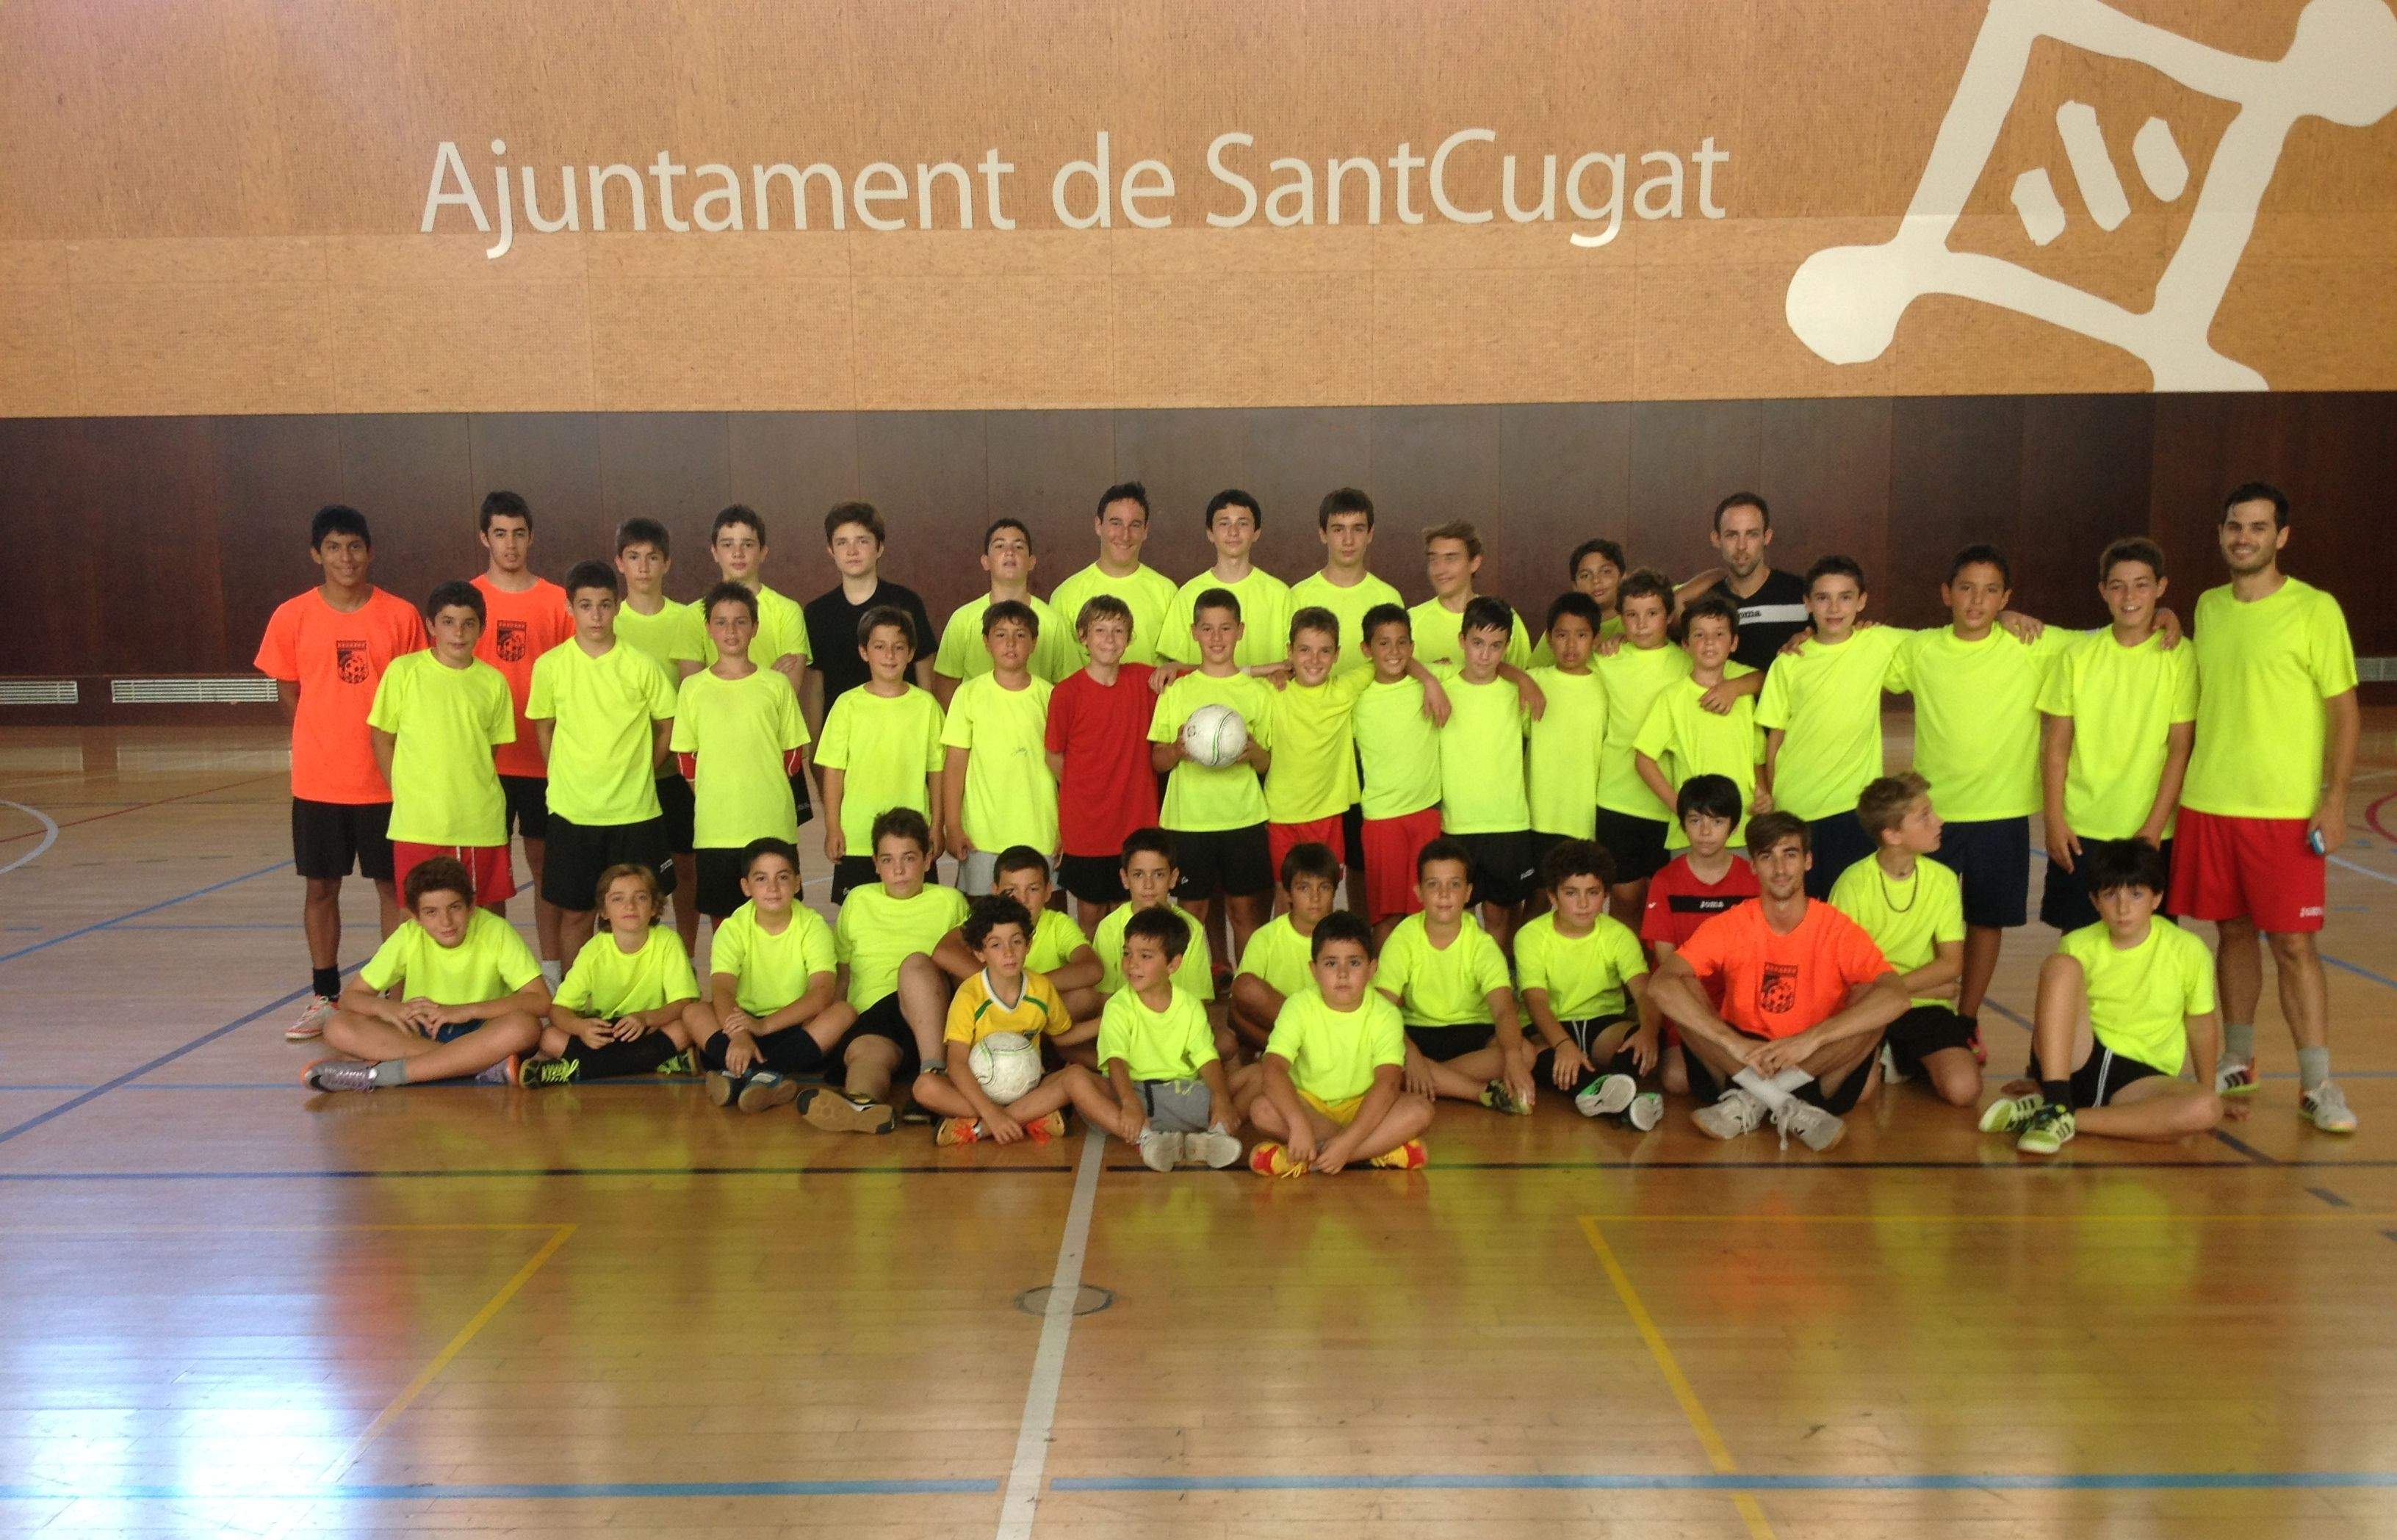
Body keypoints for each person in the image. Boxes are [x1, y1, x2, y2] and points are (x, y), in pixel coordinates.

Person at [2172, 481, 2360, 1132]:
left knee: (2293, 944)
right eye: (2234, 526)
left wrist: (2334, 798)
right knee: (2230, 933)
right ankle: (2238, 1059)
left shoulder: (2314, 609)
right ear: (2221, 533)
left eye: (2257, 527)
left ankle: (2317, 1084)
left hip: (2283, 812)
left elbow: (2344, 712)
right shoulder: (2207, 606)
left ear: (2280, 536)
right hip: (2209, 800)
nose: (2243, 537)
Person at [1884, 544, 2071, 1047]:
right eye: (1966, 588)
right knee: (1925, 920)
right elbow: (1858, 642)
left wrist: (2163, 616)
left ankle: (1965, 1021)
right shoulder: (1920, 648)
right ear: (1946, 593)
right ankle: (1918, 1016)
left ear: (2005, 598)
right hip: (1933, 816)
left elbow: (2109, 638)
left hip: (2002, 814)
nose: (1976, 600)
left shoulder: (2031, 644)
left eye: (1991, 591)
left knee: (1986, 921)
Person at [256, 505, 427, 1041]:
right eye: (333, 547)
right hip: (319, 783)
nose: (345, 557)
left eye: (354, 546)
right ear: (316, 554)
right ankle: (325, 996)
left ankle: (395, 1000)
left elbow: (416, 692)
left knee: (393, 891)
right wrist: (320, 734)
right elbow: (288, 688)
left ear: (369, 551)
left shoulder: (400, 615)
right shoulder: (292, 616)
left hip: (385, 781)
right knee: (321, 888)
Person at [1645, 813, 1909, 1151]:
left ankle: (1756, 1099)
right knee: (1682, 990)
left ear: (1808, 861)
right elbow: (1661, 985)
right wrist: (1732, 1043)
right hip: (1741, 1061)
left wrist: (1811, 1040)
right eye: (1767, 856)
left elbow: (1898, 996)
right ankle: (1782, 1102)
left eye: (1790, 854)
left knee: (1874, 1000)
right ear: (1753, 867)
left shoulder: (1836, 927)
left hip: (1814, 1064)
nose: (1780, 868)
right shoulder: (1732, 923)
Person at [1981, 840, 2229, 1154]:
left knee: (2206, 1108)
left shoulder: (2189, 950)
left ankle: (2057, 1116)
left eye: (2136, 895)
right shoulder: (2078, 944)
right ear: (2095, 901)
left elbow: (2201, 1023)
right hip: (2080, 1061)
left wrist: (2207, 1089)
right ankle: (2056, 1098)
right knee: (2060, 966)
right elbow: (2055, 1012)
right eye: (2111, 895)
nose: (2123, 908)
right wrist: (2040, 1074)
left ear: (2157, 898)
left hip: (2140, 1082)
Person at [2039, 537, 2196, 933]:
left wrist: (2154, 829)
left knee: (2150, 945)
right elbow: (2056, 746)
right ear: (2103, 591)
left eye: (2142, 585)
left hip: (2149, 831)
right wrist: (2054, 819)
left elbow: (2180, 749)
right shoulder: (2077, 655)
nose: (2129, 597)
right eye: (2117, 586)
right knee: (2078, 943)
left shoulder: (2180, 656)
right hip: (2082, 829)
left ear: (2160, 588)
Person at [526, 560, 678, 961]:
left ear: (617, 606)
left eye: (605, 605)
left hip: (634, 813)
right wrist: (562, 776)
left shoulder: (641, 665)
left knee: (638, 916)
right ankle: (575, 993)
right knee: (576, 914)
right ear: (569, 608)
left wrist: (644, 769)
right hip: (573, 813)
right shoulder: (550, 666)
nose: (596, 615)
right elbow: (544, 728)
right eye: (586, 605)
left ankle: (637, 990)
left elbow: (668, 725)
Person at [300, 856, 548, 1092]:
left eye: (454, 908)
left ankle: (383, 1075)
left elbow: (540, 1001)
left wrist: (467, 1010)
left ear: (471, 905)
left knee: (525, 1027)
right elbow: (350, 998)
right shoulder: (408, 936)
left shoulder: (496, 931)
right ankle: (476, 1065)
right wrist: (388, 1008)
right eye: (431, 912)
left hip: (483, 1028)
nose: (446, 921)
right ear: (415, 916)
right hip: (422, 1031)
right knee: (337, 1026)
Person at [805, 809, 972, 1133]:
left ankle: (935, 1074)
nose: (898, 870)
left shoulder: (950, 901)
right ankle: (862, 1106)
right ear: (875, 864)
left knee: (915, 965)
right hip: (875, 1014)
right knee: (866, 1054)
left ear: (927, 860)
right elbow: (844, 972)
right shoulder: (858, 900)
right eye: (888, 860)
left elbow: (959, 973)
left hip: (933, 1013)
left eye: (908, 858)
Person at [1756, 556, 1909, 897]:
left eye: (1845, 597)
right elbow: (1774, 737)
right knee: (1804, 905)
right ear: (1807, 603)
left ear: (1862, 601)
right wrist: (1773, 797)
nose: (1834, 608)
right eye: (1823, 598)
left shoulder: (1879, 642)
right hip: (1797, 807)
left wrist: (2005, 616)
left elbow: (1943, 639)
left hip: (1854, 808)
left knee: (1851, 905)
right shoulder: (1789, 662)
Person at [469, 491, 575, 981]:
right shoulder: (468, 600)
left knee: (545, 867)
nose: (509, 544)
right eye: (500, 534)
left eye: (518, 534)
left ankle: (550, 970)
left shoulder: (556, 601)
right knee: (491, 873)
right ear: (484, 538)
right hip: (484, 762)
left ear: (531, 538)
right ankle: (495, 972)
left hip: (542, 760)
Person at [1828, 773, 1977, 1108]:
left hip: (1918, 1005)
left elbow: (1952, 964)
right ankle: (1895, 1059)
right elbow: (1845, 978)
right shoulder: (1852, 885)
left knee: (1964, 1089)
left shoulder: (1943, 880)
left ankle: (1899, 1057)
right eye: (1924, 816)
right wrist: (1932, 988)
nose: (1939, 821)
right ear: (1892, 835)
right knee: (1860, 1094)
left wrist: (1901, 991)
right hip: (1867, 1006)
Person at [1247, 911, 1434, 1176]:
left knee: (1420, 1110)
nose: (1343, 974)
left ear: (1372, 969)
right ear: (1314, 970)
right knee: (1262, 1109)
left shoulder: (1385, 1014)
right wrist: (1298, 1123)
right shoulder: (1298, 1006)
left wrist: (1348, 1142)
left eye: (1354, 963)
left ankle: (1314, 1158)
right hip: (1310, 1106)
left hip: (1364, 1107)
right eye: (1331, 963)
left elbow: (1389, 1084)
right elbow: (1273, 1069)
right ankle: (1376, 1151)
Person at [368, 582, 518, 911]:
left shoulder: (494, 682)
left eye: (468, 623)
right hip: (418, 824)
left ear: (482, 628)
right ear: (431, 626)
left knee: (486, 915)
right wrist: (404, 793)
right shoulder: (403, 672)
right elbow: (381, 738)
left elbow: (488, 751)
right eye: (448, 622)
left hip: (478, 822)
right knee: (417, 914)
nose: (458, 633)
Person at [1148, 589, 1278, 966]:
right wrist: (1177, 750)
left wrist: (1254, 752)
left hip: (1243, 817)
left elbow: (1266, 764)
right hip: (1189, 820)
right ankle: (1195, 987)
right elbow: (1158, 761)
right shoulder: (1177, 692)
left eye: (1225, 628)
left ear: (1241, 631)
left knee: (1244, 911)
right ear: (1194, 633)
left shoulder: (1257, 693)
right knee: (1192, 913)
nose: (1216, 638)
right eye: (1207, 628)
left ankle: (1245, 985)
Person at [671, 584, 810, 930]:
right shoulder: (693, 688)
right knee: (726, 923)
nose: (731, 631)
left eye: (740, 622)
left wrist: (762, 787)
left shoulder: (776, 685)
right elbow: (685, 756)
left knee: (779, 919)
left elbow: (793, 752)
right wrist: (713, 793)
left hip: (772, 825)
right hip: (716, 829)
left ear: (755, 627)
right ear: (708, 629)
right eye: (721, 622)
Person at [913, 896, 1090, 1146]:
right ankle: (1028, 1117)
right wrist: (992, 1112)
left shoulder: (1042, 989)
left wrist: (1104, 1022)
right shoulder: (969, 995)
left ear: (1028, 945)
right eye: (996, 945)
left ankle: (977, 1129)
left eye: (1016, 942)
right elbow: (957, 1064)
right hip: (976, 1091)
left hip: (1027, 1087)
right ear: (979, 952)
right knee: (924, 1087)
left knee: (1076, 1077)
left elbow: (1062, 1036)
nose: (1008, 953)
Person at [1377, 839, 1536, 1115]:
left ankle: (1426, 1081)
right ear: (1419, 892)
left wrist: (1512, 1058)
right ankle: (1481, 1092)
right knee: (1376, 1052)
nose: (1444, 894)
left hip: (1472, 1033)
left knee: (1525, 1053)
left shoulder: (1482, 944)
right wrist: (1411, 1055)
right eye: (1433, 885)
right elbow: (1383, 1008)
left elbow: (1503, 1009)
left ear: (1468, 893)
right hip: (1416, 1034)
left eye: (1454, 885)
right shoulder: (1402, 938)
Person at [520, 863, 710, 1085]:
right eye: (618, 899)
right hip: (603, 1031)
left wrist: (646, 1018)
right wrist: (581, 1028)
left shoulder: (668, 942)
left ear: (654, 908)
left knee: (685, 1028)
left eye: (640, 897)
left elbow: (683, 1003)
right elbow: (559, 1010)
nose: (630, 906)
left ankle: (576, 1071)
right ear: (604, 911)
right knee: (549, 1037)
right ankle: (658, 1062)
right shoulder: (593, 951)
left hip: (649, 1026)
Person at [611, 517, 707, 951]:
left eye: (652, 557)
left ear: (667, 563)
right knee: (630, 875)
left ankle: (684, 954)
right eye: (634, 557)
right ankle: (636, 958)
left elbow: (697, 692)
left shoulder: (689, 619)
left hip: (676, 771)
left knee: (685, 868)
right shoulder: (608, 621)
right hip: (624, 775)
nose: (643, 567)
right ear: (620, 563)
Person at [1515, 840, 1658, 1129]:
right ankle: (1629, 1101)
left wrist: (1649, 1033)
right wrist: (1563, 1045)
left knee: (1641, 1040)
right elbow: (1536, 1001)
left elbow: (1644, 992)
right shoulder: (1530, 936)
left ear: (1605, 894)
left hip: (1602, 1025)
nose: (1582, 904)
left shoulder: (1618, 935)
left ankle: (1601, 1093)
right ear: (1553, 896)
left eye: (1592, 893)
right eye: (1571, 893)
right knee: (1529, 1056)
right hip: (1549, 1028)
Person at [1090, 907, 1247, 1170]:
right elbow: (1115, 1060)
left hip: (1183, 1093)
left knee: (1257, 1076)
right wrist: (1129, 1104)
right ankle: (1147, 1140)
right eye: (1127, 953)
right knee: (1076, 1080)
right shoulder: (1117, 1006)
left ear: (1173, 964)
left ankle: (1215, 1136)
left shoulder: (1190, 1006)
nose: (1132, 964)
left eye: (1145, 956)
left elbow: (1207, 1059)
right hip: (1135, 1096)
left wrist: (1221, 1100)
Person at [1637, 776, 1759, 1098]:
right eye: (1695, 821)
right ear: (1683, 825)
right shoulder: (1665, 881)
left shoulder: (1752, 879)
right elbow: (1668, 963)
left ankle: (1741, 1088)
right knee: (1676, 1079)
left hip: (1736, 998)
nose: (1705, 831)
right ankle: (1746, 1088)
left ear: (1733, 828)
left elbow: (1758, 954)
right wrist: (1706, 1017)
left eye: (1717, 822)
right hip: (1686, 999)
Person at [698, 837, 840, 1113]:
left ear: (798, 883)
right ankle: (767, 1078)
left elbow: (822, 993)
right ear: (746, 886)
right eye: (761, 879)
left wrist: (762, 1027)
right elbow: (723, 989)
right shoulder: (733, 928)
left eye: (782, 877)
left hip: (793, 1025)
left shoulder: (813, 925)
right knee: (695, 1012)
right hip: (741, 1023)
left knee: (842, 1012)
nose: (773, 888)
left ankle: (740, 1074)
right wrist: (740, 1035)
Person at [817, 604, 945, 903]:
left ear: (911, 653)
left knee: (916, 913)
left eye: (898, 647)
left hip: (913, 836)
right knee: (857, 915)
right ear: (864, 652)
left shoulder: (926, 706)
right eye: (880, 646)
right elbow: (833, 771)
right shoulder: (847, 705)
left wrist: (936, 826)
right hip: (858, 837)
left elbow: (937, 771)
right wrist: (833, 827)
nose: (890, 655)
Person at [697, 505, 816, 828]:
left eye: (747, 544)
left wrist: (725, 681)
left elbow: (787, 691)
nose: (738, 553)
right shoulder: (694, 615)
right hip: (718, 756)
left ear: (763, 552)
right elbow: (693, 690)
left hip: (772, 748)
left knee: (777, 849)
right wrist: (766, 678)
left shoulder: (787, 611)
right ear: (714, 552)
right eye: (728, 544)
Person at [1593, 570, 1701, 925]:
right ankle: (1626, 963)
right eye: (1632, 615)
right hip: (1616, 797)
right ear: (1620, 618)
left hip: (1668, 802)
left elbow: (1750, 677)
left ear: (1669, 616)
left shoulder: (1689, 663)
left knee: (1661, 903)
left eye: (1652, 613)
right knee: (1624, 897)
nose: (1641, 624)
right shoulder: (1606, 659)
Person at [1045, 596, 1161, 923]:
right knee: (1092, 913)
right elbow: (1054, 756)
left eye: (1118, 630)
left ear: (1129, 638)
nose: (1110, 639)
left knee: (1133, 914)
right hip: (1087, 829)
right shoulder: (1066, 693)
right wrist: (1086, 789)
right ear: (1083, 636)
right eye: (1100, 630)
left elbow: (1209, 673)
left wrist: (1266, 670)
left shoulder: (1146, 681)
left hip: (1136, 823)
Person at [1436, 596, 1543, 946]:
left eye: (1496, 646)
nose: (1485, 655)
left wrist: (1520, 677)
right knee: (1459, 914)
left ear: (1507, 647)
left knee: (1500, 914)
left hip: (1508, 821)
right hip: (1458, 822)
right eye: (1478, 643)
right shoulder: (1442, 687)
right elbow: (1403, 664)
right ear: (1462, 640)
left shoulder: (1516, 692)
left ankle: (1498, 973)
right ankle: (1465, 975)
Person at [929, 847, 1106, 1058]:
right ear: (995, 891)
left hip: (1035, 1020)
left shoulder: (1058, 924)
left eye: (1033, 889)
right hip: (990, 1020)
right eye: (1011, 890)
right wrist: (997, 983)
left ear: (1048, 891)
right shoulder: (986, 919)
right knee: (955, 977)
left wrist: (1026, 986)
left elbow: (1092, 969)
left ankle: (1044, 1052)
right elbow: (943, 952)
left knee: (1086, 996)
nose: (1022, 899)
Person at [942, 600, 1059, 894]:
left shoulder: (1051, 696)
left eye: (1020, 635)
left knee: (1045, 909)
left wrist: (1067, 829)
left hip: (1042, 831)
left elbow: (1066, 769)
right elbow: (955, 765)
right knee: (983, 913)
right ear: (986, 642)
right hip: (981, 835)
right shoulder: (968, 694)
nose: (1011, 643)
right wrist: (953, 826)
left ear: (1034, 643)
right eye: (1001, 634)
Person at [1633, 595, 1767, 851]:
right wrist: (1681, 808)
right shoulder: (1673, 698)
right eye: (1699, 635)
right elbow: (1643, 759)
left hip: (1743, 830)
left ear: (1734, 642)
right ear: (1685, 644)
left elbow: (1756, 756)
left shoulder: (1743, 697)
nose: (1709, 642)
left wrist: (1762, 792)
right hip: (1692, 836)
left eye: (1719, 634)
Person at [1350, 605, 1447, 934]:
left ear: (1412, 646)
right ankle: (1383, 971)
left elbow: (1487, 667)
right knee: (1387, 917)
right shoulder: (1357, 698)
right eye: (1384, 643)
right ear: (1367, 649)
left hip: (1426, 812)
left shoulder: (1432, 682)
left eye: (1402, 642)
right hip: (1382, 817)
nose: (1394, 651)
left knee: (1427, 914)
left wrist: (1430, 679)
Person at [801, 502, 937, 734]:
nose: (852, 551)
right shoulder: (817, 612)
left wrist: (928, 731)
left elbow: (926, 679)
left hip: (902, 730)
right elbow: (816, 690)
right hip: (843, 735)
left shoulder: (906, 603)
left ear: (879, 547)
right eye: (842, 542)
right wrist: (815, 746)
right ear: (831, 551)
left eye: (862, 541)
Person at [1261, 607, 1369, 886]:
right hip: (1281, 814)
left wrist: (1430, 679)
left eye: (1324, 651)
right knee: (1286, 893)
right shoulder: (1273, 692)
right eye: (1304, 650)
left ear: (1337, 654)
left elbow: (1392, 657)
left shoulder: (1344, 690)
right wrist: (1270, 670)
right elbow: (1225, 675)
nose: (1314, 660)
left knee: (1322, 895)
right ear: (1290, 651)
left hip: (1328, 814)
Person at [933, 518, 1073, 703]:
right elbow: (945, 685)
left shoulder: (1054, 622)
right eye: (1000, 546)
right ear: (985, 562)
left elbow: (1069, 687)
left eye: (1019, 546)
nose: (1009, 552)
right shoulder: (962, 620)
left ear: (1031, 562)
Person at [1048, 482, 1179, 669]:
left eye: (1135, 525)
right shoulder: (1066, 595)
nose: (1125, 535)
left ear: (1146, 530)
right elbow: (1059, 671)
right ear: (1098, 525)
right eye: (1116, 523)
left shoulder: (1167, 592)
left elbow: (1176, 667)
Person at [1159, 490, 1291, 671]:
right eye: (1224, 523)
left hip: (1266, 691)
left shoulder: (1281, 595)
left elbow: (1293, 665)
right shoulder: (1188, 594)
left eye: (1243, 523)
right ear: (1210, 533)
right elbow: (1174, 668)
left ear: (1256, 533)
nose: (1233, 532)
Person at [1230, 842, 1343, 1052]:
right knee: (1244, 986)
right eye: (1304, 888)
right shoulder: (1265, 937)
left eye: (1324, 887)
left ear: (1334, 891)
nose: (1315, 897)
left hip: (1335, 1029)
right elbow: (1238, 1006)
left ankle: (1311, 1049)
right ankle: (1305, 1050)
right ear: (1288, 894)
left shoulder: (1346, 936)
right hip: (1284, 1036)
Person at [1526, 592, 1609, 874]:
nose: (1571, 645)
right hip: (1538, 813)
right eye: (1562, 635)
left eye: (1581, 635)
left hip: (1584, 814)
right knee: (1539, 891)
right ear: (1549, 638)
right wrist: (1521, 677)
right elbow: (1496, 670)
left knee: (1579, 889)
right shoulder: (1534, 681)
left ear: (1596, 639)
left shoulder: (1606, 685)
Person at [1288, 488, 1405, 678]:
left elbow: (1399, 663)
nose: (1348, 540)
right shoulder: (1298, 595)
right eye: (1338, 529)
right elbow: (1290, 665)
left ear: (1370, 534)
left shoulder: (1388, 597)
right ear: (1323, 534)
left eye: (1358, 529)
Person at [1091, 828, 1216, 1002]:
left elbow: (1198, 1000)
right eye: (1138, 874)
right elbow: (1104, 997)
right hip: (1124, 1017)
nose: (1148, 884)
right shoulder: (1109, 928)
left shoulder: (1192, 928)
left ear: (1173, 878)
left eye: (1158, 874)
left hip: (1177, 1017)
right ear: (1125, 878)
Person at [1696, 492, 1809, 673]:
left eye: (1752, 534)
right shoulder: (1707, 604)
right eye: (1732, 535)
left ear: (1767, 537)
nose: (1741, 546)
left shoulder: (1803, 594)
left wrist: (1814, 636)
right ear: (1717, 539)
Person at [1409, 521, 1532, 667]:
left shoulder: (1504, 617)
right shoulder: (1411, 621)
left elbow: (1523, 677)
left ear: (1475, 563)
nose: (1440, 569)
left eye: (1450, 558)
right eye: (1433, 559)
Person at [1529, 538, 1628, 665]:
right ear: (1575, 586)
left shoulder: (1636, 622)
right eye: (1586, 575)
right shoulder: (1562, 626)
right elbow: (1531, 673)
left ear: (1623, 577)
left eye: (1605, 572)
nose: (1596, 581)